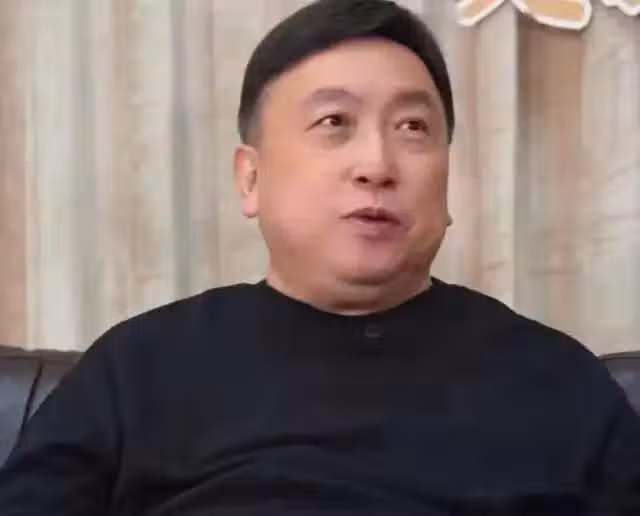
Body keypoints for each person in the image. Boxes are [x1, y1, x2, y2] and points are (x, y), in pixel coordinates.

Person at [1, 0, 639, 514]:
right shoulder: (138, 370)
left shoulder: (559, 384)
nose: (377, 164)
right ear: (251, 179)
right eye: (335, 122)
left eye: (413, 128)